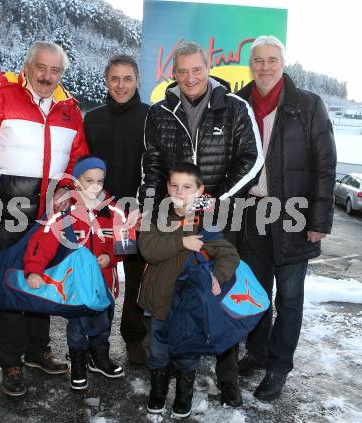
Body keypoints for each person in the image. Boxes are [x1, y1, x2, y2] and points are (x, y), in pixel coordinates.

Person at [0, 41, 89, 396]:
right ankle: (11, 360)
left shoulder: (70, 110)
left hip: (47, 213)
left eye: (55, 70)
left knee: (38, 278)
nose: (47, 76)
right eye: (41, 67)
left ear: (62, 73)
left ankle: (36, 350)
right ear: (27, 66)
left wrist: (66, 188)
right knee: (8, 281)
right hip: (5, 207)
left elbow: (78, 159)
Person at [138, 41, 264, 406]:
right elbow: (153, 164)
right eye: (182, 71)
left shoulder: (235, 107)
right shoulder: (160, 111)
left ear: (207, 68)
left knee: (216, 291)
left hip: (219, 215)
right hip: (174, 214)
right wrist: (149, 207)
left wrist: (217, 197)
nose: (190, 77)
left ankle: (227, 377)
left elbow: (251, 160)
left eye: (196, 69)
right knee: (173, 291)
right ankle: (170, 368)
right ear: (173, 74)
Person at [235, 35, 337, 401]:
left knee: (290, 298)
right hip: (251, 215)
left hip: (294, 216)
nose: (265, 66)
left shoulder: (308, 105)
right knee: (256, 293)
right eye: (258, 59)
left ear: (283, 62)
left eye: (272, 59)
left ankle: (279, 366)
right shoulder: (238, 103)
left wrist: (319, 220)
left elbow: (326, 166)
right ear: (251, 64)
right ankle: (258, 351)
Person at [138, 163, 240, 418]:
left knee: (188, 353)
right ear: (167, 186)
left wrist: (218, 275)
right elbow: (149, 249)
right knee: (158, 351)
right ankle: (158, 392)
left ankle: (185, 395)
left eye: (187, 187)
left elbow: (229, 254)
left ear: (200, 190)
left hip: (190, 305)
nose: (180, 192)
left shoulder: (206, 223)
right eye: (174, 185)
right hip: (160, 300)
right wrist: (181, 241)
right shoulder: (156, 216)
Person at [23, 156, 124, 391]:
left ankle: (99, 358)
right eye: (89, 180)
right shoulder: (63, 213)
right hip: (75, 287)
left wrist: (110, 258)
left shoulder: (114, 212)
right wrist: (34, 270)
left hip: (103, 285)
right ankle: (78, 362)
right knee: (77, 327)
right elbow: (42, 243)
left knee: (103, 324)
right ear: (75, 182)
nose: (95, 186)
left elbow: (124, 243)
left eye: (100, 181)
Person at [83, 54, 150, 365]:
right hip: (101, 214)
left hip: (135, 214)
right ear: (106, 81)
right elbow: (82, 167)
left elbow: (156, 165)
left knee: (136, 277)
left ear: (137, 81)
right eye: (114, 78)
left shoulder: (151, 116)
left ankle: (133, 336)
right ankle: (97, 341)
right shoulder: (93, 118)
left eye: (127, 79)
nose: (120, 85)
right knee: (101, 274)